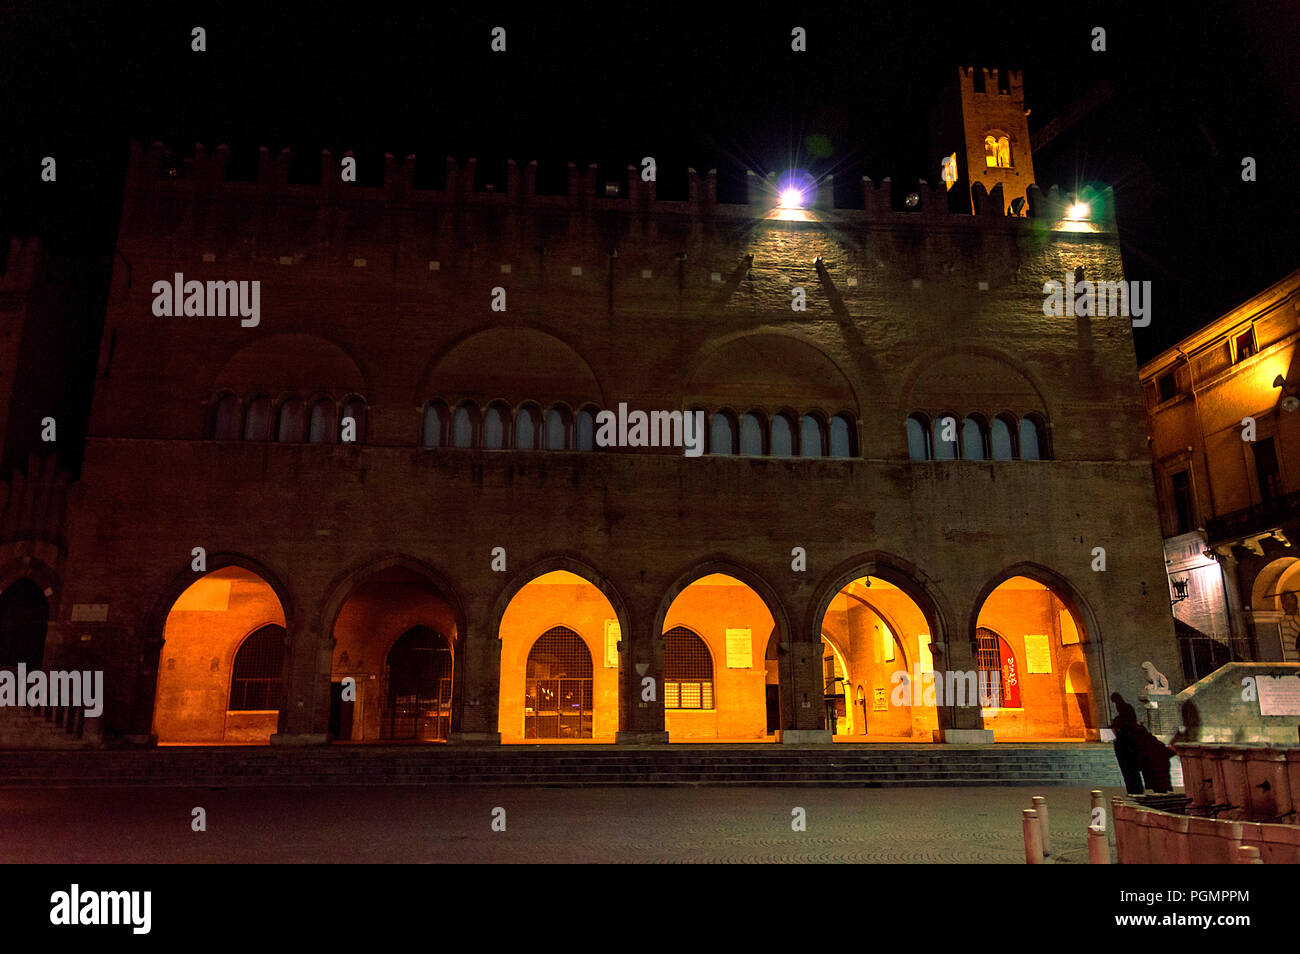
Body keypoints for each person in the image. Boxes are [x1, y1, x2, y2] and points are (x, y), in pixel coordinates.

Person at [1110, 692, 1144, 794]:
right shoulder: (1127, 711)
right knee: (1132, 770)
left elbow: (1117, 728)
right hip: (1130, 745)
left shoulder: (1121, 718)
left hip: (1125, 746)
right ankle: (1136, 789)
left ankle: (1133, 789)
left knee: (1128, 770)